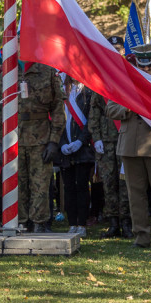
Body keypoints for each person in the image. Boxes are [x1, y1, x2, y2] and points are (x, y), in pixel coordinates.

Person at [107, 42, 151, 250]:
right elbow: (111, 108)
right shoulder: (123, 79)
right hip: (131, 143)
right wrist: (129, 107)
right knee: (135, 194)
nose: (146, 69)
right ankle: (141, 237)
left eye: (150, 66)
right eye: (142, 66)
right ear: (136, 63)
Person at [0, 53, 65, 233]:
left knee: (40, 183)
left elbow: (57, 108)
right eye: (17, 40)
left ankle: (40, 223)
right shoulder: (8, 71)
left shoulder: (47, 72)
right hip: (12, 137)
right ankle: (21, 223)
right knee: (17, 184)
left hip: (40, 137)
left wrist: (54, 141)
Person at [89, 90, 132, 238]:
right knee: (109, 183)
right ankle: (113, 223)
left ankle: (126, 222)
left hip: (125, 138)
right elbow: (93, 114)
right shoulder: (99, 88)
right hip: (106, 142)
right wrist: (96, 138)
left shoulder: (125, 84)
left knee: (125, 182)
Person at [58, 77, 95, 238]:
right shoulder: (61, 92)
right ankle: (72, 223)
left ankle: (82, 223)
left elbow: (91, 121)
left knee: (82, 186)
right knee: (68, 187)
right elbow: (56, 120)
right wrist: (61, 143)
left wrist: (81, 141)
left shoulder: (89, 92)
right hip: (65, 148)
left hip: (83, 149)